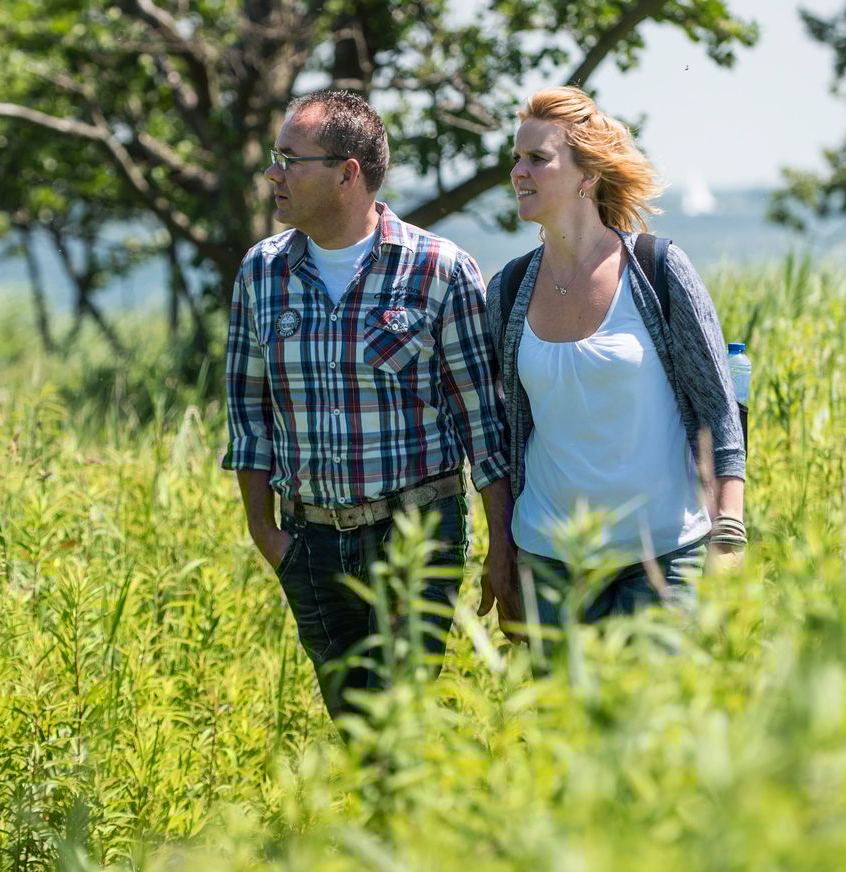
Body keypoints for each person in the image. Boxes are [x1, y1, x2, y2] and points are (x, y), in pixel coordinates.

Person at [222, 90, 514, 723]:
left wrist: (502, 548)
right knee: (356, 733)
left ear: (346, 173)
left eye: (289, 159)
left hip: (416, 536)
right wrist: (265, 534)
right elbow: (247, 415)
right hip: (309, 545)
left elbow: (483, 424)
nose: (273, 173)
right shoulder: (260, 273)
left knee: (400, 727)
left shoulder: (440, 270)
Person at [483, 86, 747, 637]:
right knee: (562, 726)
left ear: (587, 176)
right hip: (550, 560)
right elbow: (500, 435)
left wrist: (728, 535)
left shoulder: (657, 269)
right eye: (516, 158)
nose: (518, 172)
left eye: (537, 158)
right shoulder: (506, 290)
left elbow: (719, 412)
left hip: (664, 557)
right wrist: (502, 551)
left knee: (655, 723)